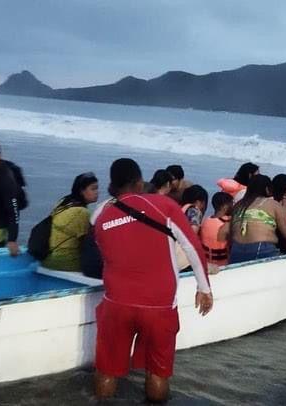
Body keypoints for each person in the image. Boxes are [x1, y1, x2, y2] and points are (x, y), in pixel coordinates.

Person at [93, 158, 213, 403]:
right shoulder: (164, 206)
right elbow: (193, 247)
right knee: (157, 373)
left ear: (112, 185)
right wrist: (204, 288)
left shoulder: (101, 216)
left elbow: (105, 251)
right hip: (158, 306)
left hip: (115, 303)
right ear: (140, 182)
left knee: (107, 370)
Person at [223, 175, 286, 263]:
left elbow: (231, 235)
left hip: (236, 251)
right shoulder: (273, 205)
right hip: (260, 250)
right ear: (267, 189)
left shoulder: (238, 205)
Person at [41, 172, 99, 271]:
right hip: (66, 262)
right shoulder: (81, 212)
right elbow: (86, 245)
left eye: (97, 188)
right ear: (82, 191)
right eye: (93, 188)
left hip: (48, 258)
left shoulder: (63, 202)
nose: (97, 192)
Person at [200, 192, 233, 267]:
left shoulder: (206, 221)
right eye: (231, 204)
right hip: (223, 264)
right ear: (224, 207)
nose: (233, 206)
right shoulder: (227, 223)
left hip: (207, 263)